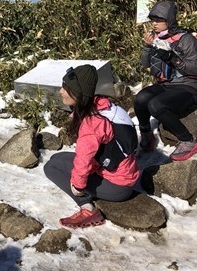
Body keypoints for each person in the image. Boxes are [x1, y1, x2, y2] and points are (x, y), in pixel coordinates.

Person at [44, 65, 140, 228]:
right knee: (57, 158)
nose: (61, 91)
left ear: (78, 93)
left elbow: (83, 160)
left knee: (51, 168)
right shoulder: (105, 106)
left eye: (65, 88)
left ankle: (87, 209)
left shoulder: (91, 124)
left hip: (117, 186)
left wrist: (78, 186)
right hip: (123, 173)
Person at [134, 0, 197, 161]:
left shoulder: (186, 40)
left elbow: (194, 69)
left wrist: (172, 57)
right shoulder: (157, 39)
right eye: (153, 20)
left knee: (155, 104)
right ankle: (146, 134)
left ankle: (188, 141)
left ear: (169, 21)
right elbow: (145, 64)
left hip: (188, 87)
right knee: (140, 98)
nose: (154, 24)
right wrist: (147, 46)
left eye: (158, 20)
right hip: (166, 85)